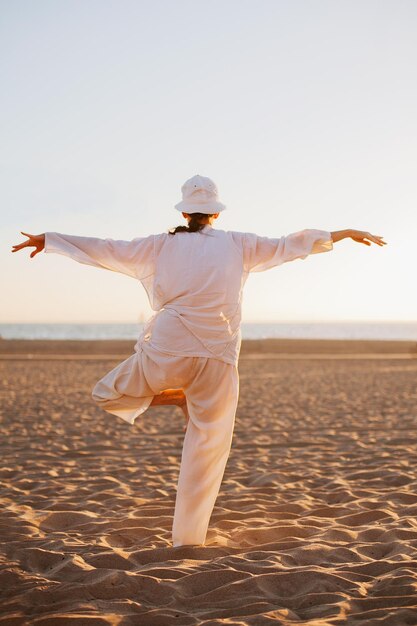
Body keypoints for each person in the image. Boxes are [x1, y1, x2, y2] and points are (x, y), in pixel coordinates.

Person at [11, 174, 387, 547]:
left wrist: (51, 240)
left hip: (167, 350)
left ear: (185, 211)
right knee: (206, 449)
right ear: (216, 214)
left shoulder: (160, 245)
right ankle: (187, 539)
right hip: (217, 356)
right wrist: (343, 233)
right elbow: (290, 244)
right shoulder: (238, 244)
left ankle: (174, 396)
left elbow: (109, 247)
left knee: (106, 394)